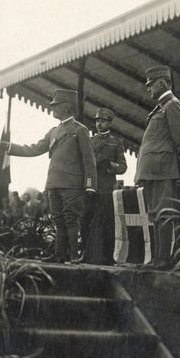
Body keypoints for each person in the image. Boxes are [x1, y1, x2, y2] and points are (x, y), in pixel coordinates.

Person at [0, 89, 97, 263]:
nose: (52, 107)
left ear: (67, 107)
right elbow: (33, 149)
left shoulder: (80, 130)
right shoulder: (53, 131)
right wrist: (7, 146)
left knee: (71, 219)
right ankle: (59, 254)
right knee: (58, 219)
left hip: (72, 184)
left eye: (56, 105)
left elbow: (89, 160)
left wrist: (90, 184)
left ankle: (74, 256)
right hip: (53, 183)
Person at [134, 65, 180, 269]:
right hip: (153, 170)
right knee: (155, 213)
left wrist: (175, 167)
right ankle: (158, 258)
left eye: (151, 85)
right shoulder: (161, 107)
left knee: (163, 212)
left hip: (163, 169)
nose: (148, 89)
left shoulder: (172, 105)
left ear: (163, 83)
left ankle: (163, 258)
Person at [80, 108, 127, 265]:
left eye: (103, 121)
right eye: (97, 121)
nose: (100, 124)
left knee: (107, 223)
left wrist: (110, 166)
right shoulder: (90, 141)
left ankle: (108, 258)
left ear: (109, 123)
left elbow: (123, 167)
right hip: (90, 186)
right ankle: (86, 254)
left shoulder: (116, 143)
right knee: (85, 219)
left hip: (106, 188)